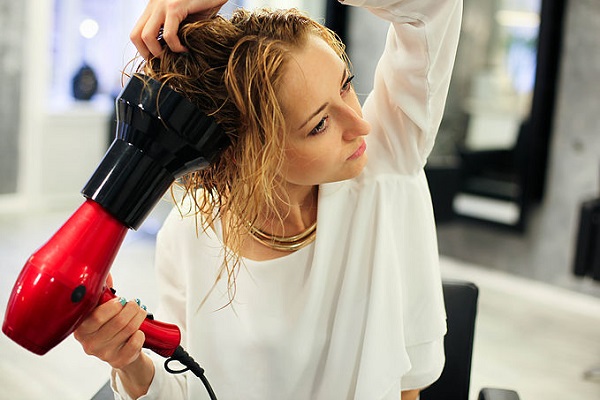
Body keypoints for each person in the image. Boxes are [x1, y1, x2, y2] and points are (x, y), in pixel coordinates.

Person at [74, 0, 462, 399]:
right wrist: (129, 363)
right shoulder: (189, 233)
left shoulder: (384, 167)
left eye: (346, 85)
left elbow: (432, 8)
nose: (360, 124)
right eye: (320, 124)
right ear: (253, 153)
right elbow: (190, 388)